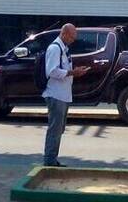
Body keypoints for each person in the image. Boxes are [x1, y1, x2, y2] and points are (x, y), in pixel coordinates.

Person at [43, 23, 90, 167]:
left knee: (59, 128)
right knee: (55, 129)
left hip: (64, 95)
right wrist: (72, 72)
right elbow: (52, 71)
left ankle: (52, 159)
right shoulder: (54, 49)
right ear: (64, 34)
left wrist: (75, 71)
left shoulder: (64, 49)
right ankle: (49, 161)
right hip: (56, 95)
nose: (73, 40)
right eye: (71, 37)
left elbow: (64, 70)